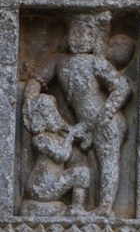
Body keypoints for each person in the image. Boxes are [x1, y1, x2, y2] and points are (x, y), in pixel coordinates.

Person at [36, 12, 131, 216]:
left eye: (85, 34)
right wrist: (31, 98)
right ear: (67, 36)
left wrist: (106, 113)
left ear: (94, 39)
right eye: (74, 33)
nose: (79, 38)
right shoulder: (59, 61)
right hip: (85, 124)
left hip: (107, 122)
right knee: (89, 165)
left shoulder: (96, 63)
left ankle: (105, 209)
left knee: (107, 163)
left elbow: (122, 86)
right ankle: (84, 206)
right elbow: (38, 80)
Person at [22, 82, 90, 216]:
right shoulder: (41, 139)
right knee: (82, 174)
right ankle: (76, 209)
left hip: (50, 182)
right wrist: (70, 137)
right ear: (42, 118)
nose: (55, 116)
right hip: (41, 187)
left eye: (54, 111)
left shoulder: (55, 136)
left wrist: (75, 132)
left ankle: (76, 208)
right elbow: (61, 156)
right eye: (50, 112)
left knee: (82, 172)